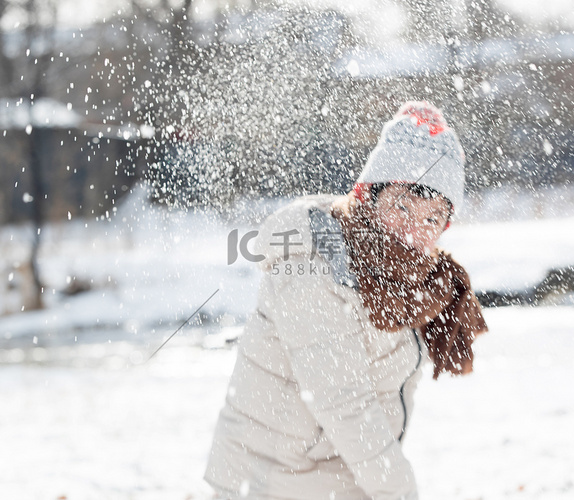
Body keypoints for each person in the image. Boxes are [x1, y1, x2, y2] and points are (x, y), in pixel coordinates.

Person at [204, 102, 488, 499]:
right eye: (401, 206)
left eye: (431, 218)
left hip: (339, 480)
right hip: (271, 482)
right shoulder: (312, 263)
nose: (412, 232)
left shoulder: (421, 282)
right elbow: (344, 404)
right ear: (367, 195)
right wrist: (400, 492)